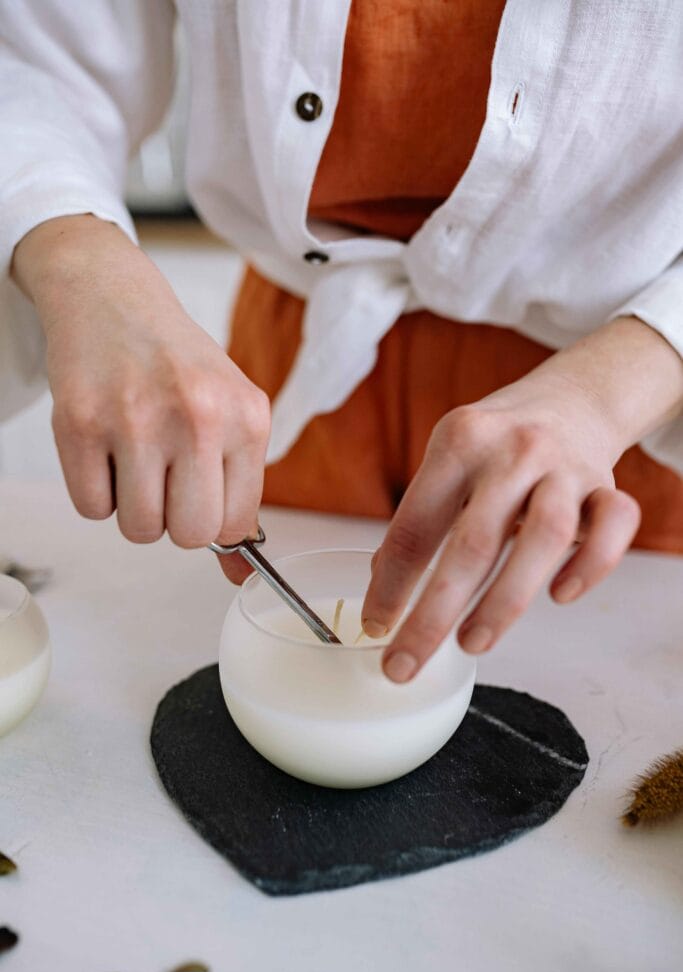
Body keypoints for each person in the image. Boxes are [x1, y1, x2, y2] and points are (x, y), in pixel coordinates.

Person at [2, 2, 682, 684]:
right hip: (300, 365)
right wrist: (79, 259)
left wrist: (605, 395)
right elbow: (33, 53)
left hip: (612, 410)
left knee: (592, 680)